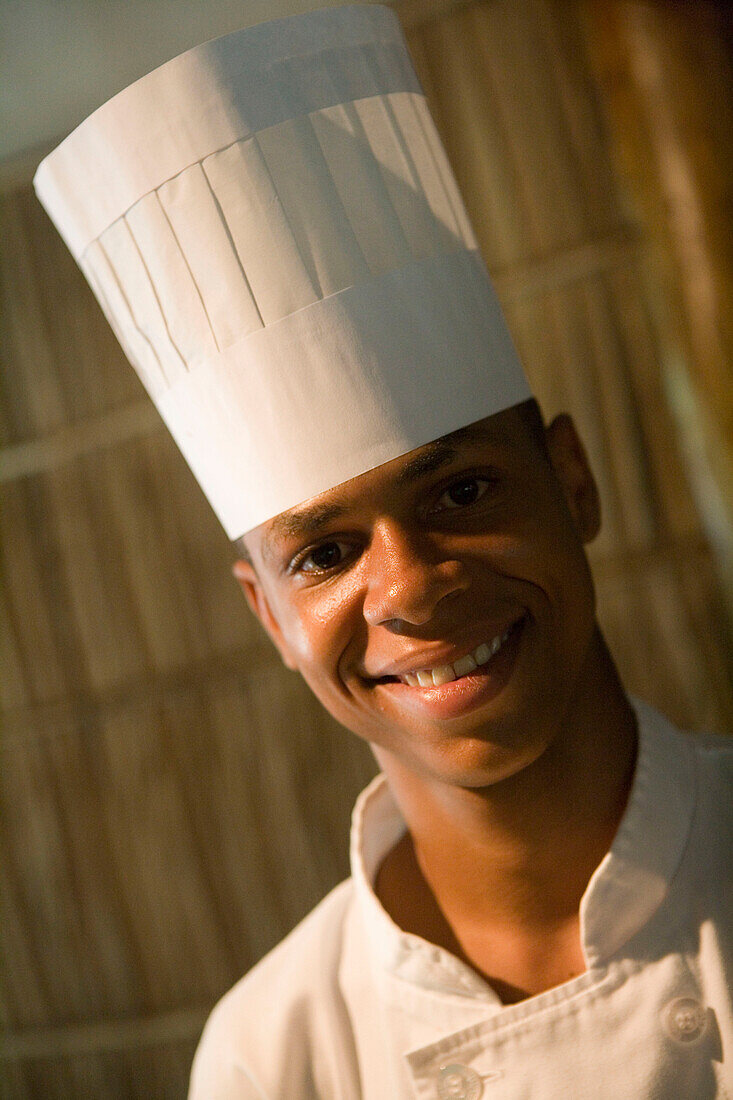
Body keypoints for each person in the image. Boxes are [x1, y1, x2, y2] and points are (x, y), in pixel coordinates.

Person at [34, 5, 731, 1098]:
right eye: (322, 552)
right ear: (268, 616)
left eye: (461, 489)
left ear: (574, 480)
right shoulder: (274, 1055)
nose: (408, 583)